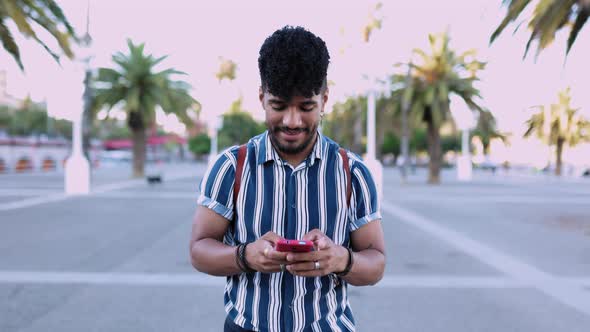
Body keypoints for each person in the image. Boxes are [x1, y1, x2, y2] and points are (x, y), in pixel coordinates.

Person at [190, 26, 385, 332]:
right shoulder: (231, 167)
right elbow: (200, 250)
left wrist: (340, 259)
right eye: (278, 106)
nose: (292, 121)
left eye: (306, 107)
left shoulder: (354, 172)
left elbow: (376, 264)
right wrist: (245, 256)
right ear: (261, 98)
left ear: (324, 99)